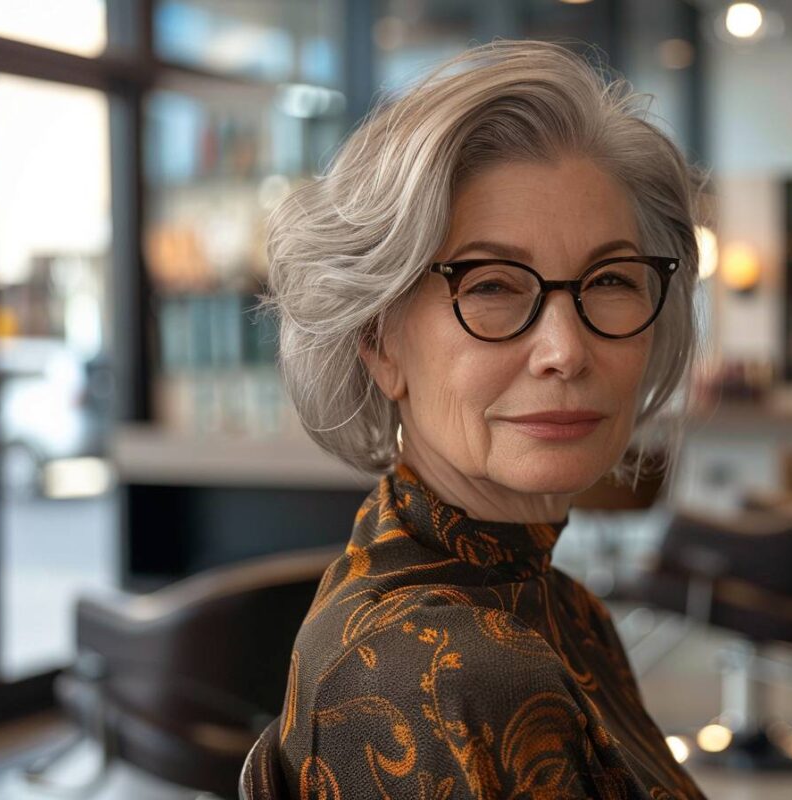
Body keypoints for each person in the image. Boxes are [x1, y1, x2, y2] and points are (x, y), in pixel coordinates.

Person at [248, 38, 709, 799]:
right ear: (377, 340)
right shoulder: (439, 674)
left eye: (610, 280)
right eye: (492, 285)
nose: (565, 349)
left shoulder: (562, 606)